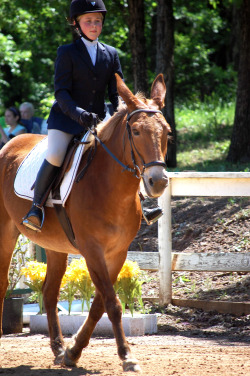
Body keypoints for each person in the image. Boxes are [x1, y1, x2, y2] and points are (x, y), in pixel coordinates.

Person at [22, 0, 123, 231]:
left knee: (123, 150)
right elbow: (61, 92)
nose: (94, 25)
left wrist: (120, 114)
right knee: (57, 154)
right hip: (67, 119)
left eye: (98, 20)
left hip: (97, 120)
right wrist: (79, 114)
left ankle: (141, 202)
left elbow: (116, 91)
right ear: (76, 23)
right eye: (88, 21)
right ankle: (35, 208)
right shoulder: (66, 52)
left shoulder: (111, 53)